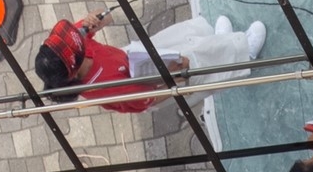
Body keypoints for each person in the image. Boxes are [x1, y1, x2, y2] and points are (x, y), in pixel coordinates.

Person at [34, 11, 266, 113]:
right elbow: (149, 99)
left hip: (133, 57)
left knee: (182, 38)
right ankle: (243, 52)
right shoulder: (106, 88)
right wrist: (174, 80)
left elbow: (105, 17)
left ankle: (220, 41)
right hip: (150, 82)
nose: (78, 35)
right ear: (74, 68)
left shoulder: (75, 45)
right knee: (199, 65)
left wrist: (97, 19)